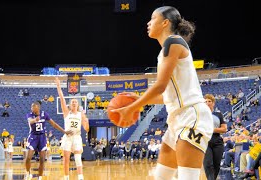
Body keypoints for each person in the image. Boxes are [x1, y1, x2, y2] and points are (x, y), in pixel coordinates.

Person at [111, 6, 214, 179]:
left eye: (152, 18)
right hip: (176, 118)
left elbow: (160, 85)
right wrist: (140, 99)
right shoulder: (166, 49)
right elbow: (167, 95)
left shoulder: (173, 42)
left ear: (165, 22)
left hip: (192, 116)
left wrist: (133, 107)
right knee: (162, 176)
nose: (148, 23)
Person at [24, 101, 73, 180]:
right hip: (33, 137)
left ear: (38, 108)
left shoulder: (44, 114)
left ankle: (40, 177)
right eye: (31, 107)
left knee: (42, 160)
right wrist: (35, 120)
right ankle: (27, 173)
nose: (32, 108)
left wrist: (64, 131)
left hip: (42, 137)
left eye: (33, 107)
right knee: (28, 158)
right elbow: (30, 121)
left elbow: (54, 124)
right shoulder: (30, 115)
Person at [55, 77, 89, 180]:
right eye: (72, 102)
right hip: (67, 137)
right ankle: (66, 177)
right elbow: (61, 98)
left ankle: (80, 177)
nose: (74, 103)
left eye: (75, 102)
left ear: (78, 104)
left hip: (77, 137)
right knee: (66, 159)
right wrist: (58, 86)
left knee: (78, 158)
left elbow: (86, 129)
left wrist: (87, 123)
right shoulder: (66, 112)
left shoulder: (81, 114)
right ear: (70, 105)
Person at [203, 94, 227, 180]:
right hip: (205, 141)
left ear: (213, 103)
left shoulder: (218, 114)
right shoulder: (200, 115)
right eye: (205, 101)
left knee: (217, 165)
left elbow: (224, 129)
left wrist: (210, 129)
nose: (207, 103)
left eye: (209, 101)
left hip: (217, 141)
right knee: (208, 164)